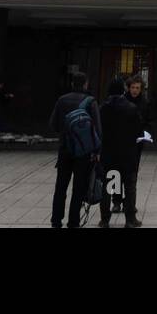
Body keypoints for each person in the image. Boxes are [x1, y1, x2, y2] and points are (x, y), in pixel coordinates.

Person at [49, 73, 101, 228]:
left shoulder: (62, 100)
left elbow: (53, 125)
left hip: (65, 150)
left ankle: (56, 220)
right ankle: (73, 221)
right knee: (78, 188)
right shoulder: (91, 102)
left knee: (61, 187)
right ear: (86, 84)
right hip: (83, 152)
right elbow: (97, 129)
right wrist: (97, 151)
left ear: (72, 84)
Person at [98, 78, 143, 228]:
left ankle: (105, 220)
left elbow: (98, 131)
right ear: (123, 90)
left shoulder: (103, 108)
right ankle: (130, 219)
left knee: (109, 186)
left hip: (109, 155)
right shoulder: (131, 108)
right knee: (129, 186)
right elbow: (139, 131)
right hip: (127, 154)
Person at [115, 75, 151, 215]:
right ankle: (116, 201)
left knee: (132, 174)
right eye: (133, 88)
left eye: (137, 88)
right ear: (128, 88)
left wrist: (146, 134)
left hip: (136, 143)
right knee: (116, 172)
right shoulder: (121, 101)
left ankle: (129, 203)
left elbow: (148, 121)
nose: (135, 90)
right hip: (121, 142)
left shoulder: (145, 102)